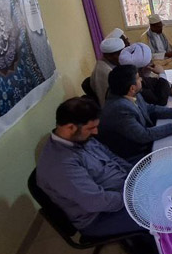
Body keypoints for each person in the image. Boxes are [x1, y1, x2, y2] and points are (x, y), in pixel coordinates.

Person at [35, 97, 155, 241]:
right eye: (91, 128)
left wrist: (135, 176)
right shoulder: (60, 165)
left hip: (122, 190)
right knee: (166, 212)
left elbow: (112, 157)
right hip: (100, 216)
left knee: (160, 171)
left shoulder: (79, 137)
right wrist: (136, 196)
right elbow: (97, 202)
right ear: (70, 127)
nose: (96, 132)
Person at [98, 65, 172, 163]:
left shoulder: (129, 93)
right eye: (138, 78)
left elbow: (149, 109)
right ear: (132, 88)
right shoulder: (120, 109)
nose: (141, 79)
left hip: (144, 143)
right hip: (135, 156)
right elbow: (143, 136)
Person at [119, 42, 172, 106]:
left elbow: (155, 83)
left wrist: (171, 88)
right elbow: (161, 101)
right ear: (143, 68)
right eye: (150, 64)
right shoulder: (136, 86)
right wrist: (161, 73)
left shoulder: (142, 77)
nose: (153, 65)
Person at [90, 37, 125, 106]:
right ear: (108, 56)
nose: (123, 57)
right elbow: (106, 101)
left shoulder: (112, 63)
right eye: (120, 54)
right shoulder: (104, 72)